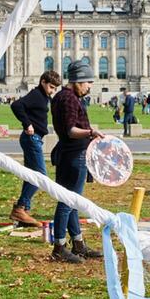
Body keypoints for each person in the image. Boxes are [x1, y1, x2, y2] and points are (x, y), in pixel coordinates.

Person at [49, 60, 104, 264]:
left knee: (73, 201)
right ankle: (59, 247)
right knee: (67, 202)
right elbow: (71, 130)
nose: (89, 86)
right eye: (88, 81)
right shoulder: (69, 99)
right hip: (74, 155)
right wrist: (91, 132)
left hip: (67, 154)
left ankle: (78, 244)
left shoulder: (60, 97)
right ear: (78, 80)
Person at [7, 70, 61, 227]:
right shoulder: (37, 94)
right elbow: (16, 105)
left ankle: (23, 210)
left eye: (55, 88)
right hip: (32, 138)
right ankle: (20, 208)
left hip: (35, 138)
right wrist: (27, 123)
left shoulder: (43, 96)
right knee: (39, 175)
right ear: (43, 81)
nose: (52, 91)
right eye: (51, 87)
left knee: (31, 175)